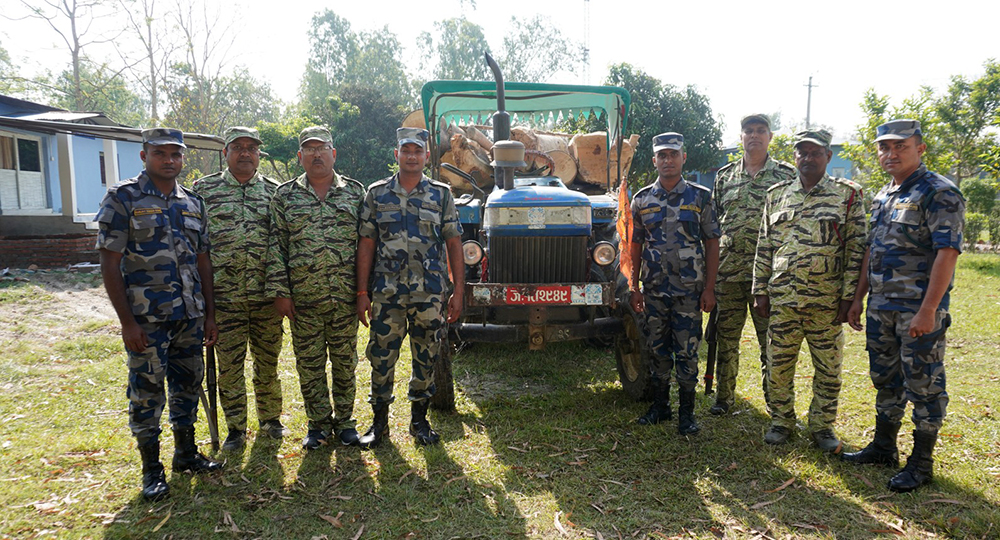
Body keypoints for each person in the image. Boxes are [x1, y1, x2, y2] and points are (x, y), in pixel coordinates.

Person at [96, 128, 223, 502]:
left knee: (187, 384)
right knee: (147, 393)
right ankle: (151, 469)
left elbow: (203, 261)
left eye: (176, 154)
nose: (170, 160)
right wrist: (127, 322)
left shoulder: (192, 203)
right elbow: (109, 262)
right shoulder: (123, 198)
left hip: (189, 314)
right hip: (147, 319)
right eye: (161, 153)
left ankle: (186, 453)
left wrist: (209, 314)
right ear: (144, 155)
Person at [842, 119, 965, 493]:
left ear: (920, 148)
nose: (891, 153)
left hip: (917, 309)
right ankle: (884, 447)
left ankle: (922, 462)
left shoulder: (939, 192)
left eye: (901, 146)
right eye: (884, 147)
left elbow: (947, 253)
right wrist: (859, 297)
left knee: (924, 385)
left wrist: (929, 310)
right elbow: (871, 251)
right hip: (882, 307)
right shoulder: (883, 195)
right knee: (885, 379)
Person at [752, 129, 866, 451]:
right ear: (795, 156)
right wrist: (760, 289)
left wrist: (849, 298)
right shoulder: (776, 194)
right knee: (778, 366)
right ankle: (781, 421)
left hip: (826, 303)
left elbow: (856, 250)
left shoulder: (848, 195)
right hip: (783, 299)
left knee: (829, 370)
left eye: (815, 152)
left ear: (828, 156)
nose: (808, 158)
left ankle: (822, 427)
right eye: (802, 152)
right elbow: (765, 246)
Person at [355, 127, 464, 448]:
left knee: (427, 355)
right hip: (386, 293)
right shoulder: (377, 194)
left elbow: (454, 242)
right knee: (381, 356)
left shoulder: (441, 194)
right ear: (397, 155)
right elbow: (366, 244)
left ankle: (419, 420)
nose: (412, 156)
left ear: (427, 156)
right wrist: (362, 292)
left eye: (418, 151)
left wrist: (459, 290)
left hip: (429, 293)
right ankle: (379, 424)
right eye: (406, 150)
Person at [265, 126, 365, 450]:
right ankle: (318, 424)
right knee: (309, 364)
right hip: (303, 300)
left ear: (334, 154)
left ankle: (347, 423)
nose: (317, 154)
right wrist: (281, 291)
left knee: (345, 362)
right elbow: (277, 245)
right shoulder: (284, 196)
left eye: (322, 148)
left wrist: (365, 293)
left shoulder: (354, 193)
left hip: (345, 297)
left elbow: (367, 246)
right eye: (309, 149)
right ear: (300, 157)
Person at [192, 127, 286, 451]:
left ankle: (271, 419)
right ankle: (235, 428)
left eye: (251, 148)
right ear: (225, 153)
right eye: (238, 147)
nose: (245, 153)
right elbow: (195, 245)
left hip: (265, 299)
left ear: (259, 154)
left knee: (267, 363)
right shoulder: (203, 191)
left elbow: (281, 244)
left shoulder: (275, 193)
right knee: (229, 368)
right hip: (224, 300)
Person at [629, 132, 720, 435]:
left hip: (688, 291)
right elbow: (635, 245)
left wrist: (709, 288)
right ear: (654, 160)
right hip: (654, 289)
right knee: (656, 349)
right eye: (662, 155)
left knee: (687, 351)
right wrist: (633, 286)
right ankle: (660, 406)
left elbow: (712, 241)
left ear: (684, 158)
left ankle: (687, 413)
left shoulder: (700, 196)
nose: (668, 160)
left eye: (673, 154)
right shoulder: (641, 199)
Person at [710, 114, 796, 416]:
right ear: (741, 137)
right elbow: (714, 223)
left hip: (769, 279)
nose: (754, 136)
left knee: (771, 344)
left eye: (761, 131)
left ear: (770, 137)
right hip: (729, 274)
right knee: (726, 340)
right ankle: (723, 399)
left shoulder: (786, 175)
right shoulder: (725, 177)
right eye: (749, 131)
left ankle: (776, 405)